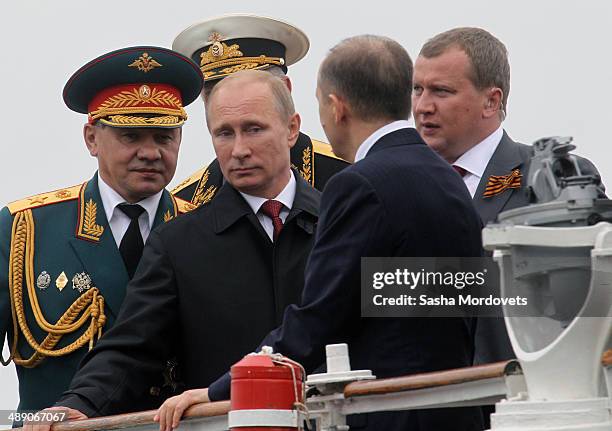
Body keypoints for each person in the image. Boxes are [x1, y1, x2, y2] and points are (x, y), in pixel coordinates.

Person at [157, 35, 485, 431]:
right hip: (455, 411)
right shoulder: (448, 178)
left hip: (389, 417)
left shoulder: (359, 184)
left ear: (336, 106)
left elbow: (318, 320)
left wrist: (218, 392)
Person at [31, 70, 321, 425]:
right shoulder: (178, 242)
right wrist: (79, 403)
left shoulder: (346, 223)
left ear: (292, 128)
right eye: (224, 134)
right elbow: (131, 347)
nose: (239, 150)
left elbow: (394, 319)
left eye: (254, 129)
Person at [0, 46, 203, 416]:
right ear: (91, 138)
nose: (150, 152)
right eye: (131, 136)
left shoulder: (203, 230)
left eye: (164, 137)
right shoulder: (25, 229)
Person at [411, 27, 604, 367]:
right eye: (417, 89)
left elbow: (582, 300)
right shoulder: (400, 188)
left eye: (441, 91)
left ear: (491, 101)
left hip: (527, 396)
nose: (423, 106)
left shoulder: (550, 178)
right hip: (427, 402)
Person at [170, 14, 349, 212]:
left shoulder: (348, 177)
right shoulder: (185, 204)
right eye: (215, 93)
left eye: (247, 88)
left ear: (285, 90)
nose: (230, 100)